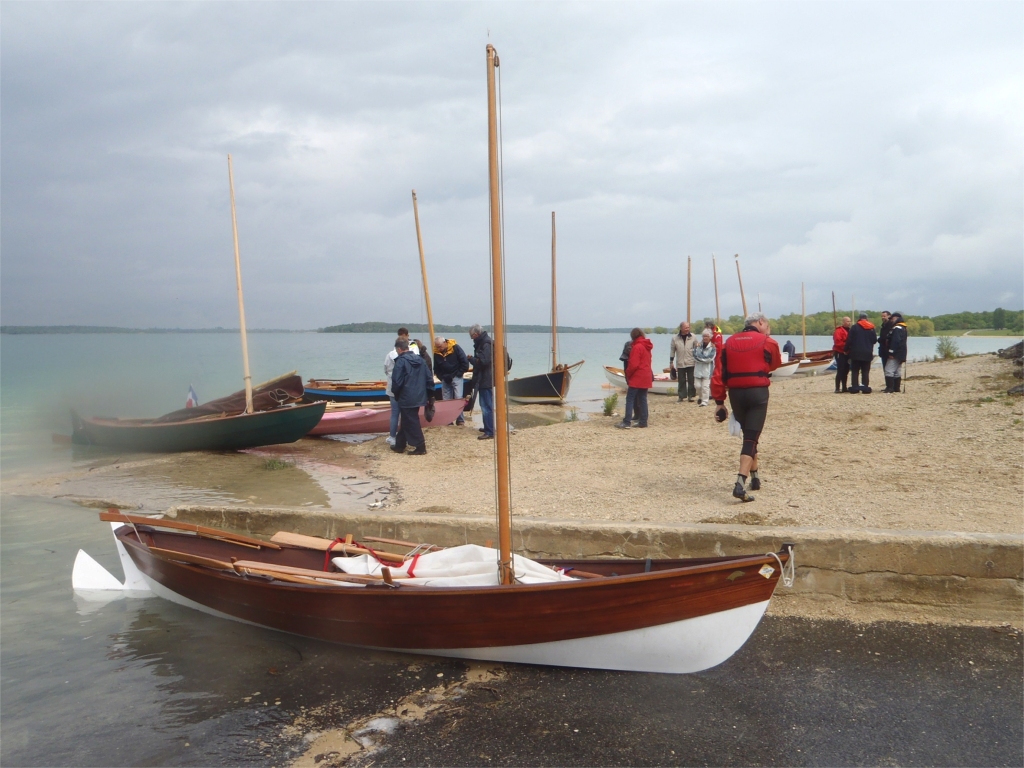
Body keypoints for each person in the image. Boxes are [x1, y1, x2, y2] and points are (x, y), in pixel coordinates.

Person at [710, 312, 782, 502]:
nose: (768, 331)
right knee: (751, 438)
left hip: (736, 394)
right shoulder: (768, 342)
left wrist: (719, 403)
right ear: (760, 322)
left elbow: (718, 375)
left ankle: (755, 478)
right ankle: (740, 484)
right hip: (757, 393)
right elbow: (775, 364)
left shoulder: (728, 343)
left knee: (749, 435)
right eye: (768, 327)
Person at [389, 338, 431, 455]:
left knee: (411, 421)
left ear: (399, 349)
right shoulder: (420, 360)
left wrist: (396, 394)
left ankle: (420, 446)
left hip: (406, 396)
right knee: (407, 419)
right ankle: (400, 445)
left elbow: (397, 382)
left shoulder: (401, 361)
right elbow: (429, 378)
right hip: (419, 395)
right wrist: (430, 394)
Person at [384, 327, 418, 446]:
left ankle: (393, 437)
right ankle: (405, 437)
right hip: (405, 388)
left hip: (393, 387)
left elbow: (386, 369)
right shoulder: (412, 354)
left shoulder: (390, 355)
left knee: (395, 413)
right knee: (405, 413)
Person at [617, 328, 652, 428]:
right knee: (642, 398)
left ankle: (627, 422)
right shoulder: (646, 346)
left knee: (630, 398)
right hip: (646, 375)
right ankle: (643, 421)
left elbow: (633, 364)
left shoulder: (637, 347)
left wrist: (628, 373)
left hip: (637, 376)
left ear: (633, 336)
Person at [433, 335, 469, 425]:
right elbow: (436, 368)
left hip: (456, 376)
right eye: (437, 347)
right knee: (446, 400)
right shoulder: (436, 353)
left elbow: (464, 362)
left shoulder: (455, 348)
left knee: (458, 398)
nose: (439, 349)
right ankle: (448, 420)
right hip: (445, 378)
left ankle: (460, 420)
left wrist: (458, 374)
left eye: (440, 346)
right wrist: (442, 377)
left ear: (445, 343)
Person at [467, 324, 495, 440]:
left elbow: (484, 361)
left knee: (486, 406)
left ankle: (490, 431)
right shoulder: (483, 342)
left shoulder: (486, 343)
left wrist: (471, 359)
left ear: (477, 334)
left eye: (472, 336)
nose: (472, 338)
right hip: (484, 378)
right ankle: (488, 426)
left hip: (486, 379)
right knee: (485, 405)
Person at [845, 312, 877, 394]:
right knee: (865, 371)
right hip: (867, 352)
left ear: (859, 318)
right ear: (867, 318)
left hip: (855, 352)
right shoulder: (871, 328)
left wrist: (845, 349)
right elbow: (874, 340)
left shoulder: (855, 327)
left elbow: (849, 340)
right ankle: (864, 387)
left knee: (855, 371)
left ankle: (855, 387)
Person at [669, 322, 697, 402]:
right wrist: (671, 361)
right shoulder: (675, 338)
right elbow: (672, 350)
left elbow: (697, 348)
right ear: (681, 328)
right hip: (680, 362)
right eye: (686, 328)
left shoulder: (693, 337)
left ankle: (691, 396)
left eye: (688, 327)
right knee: (681, 380)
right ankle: (681, 396)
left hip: (691, 361)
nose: (687, 329)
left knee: (691, 380)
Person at [883, 312, 908, 393]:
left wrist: (891, 352)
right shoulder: (903, 327)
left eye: (892, 319)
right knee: (897, 370)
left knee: (889, 370)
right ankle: (896, 388)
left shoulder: (897, 328)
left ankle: (890, 388)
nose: (891, 320)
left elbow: (895, 341)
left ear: (896, 318)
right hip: (901, 353)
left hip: (896, 353)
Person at [692, 329, 717, 406]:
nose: (705, 338)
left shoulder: (713, 347)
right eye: (704, 336)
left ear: (710, 337)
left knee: (705, 387)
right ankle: (700, 397)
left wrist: (700, 358)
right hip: (698, 370)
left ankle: (705, 401)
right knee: (697, 386)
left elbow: (710, 358)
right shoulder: (697, 346)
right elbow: (694, 356)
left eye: (707, 336)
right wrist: (703, 359)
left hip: (707, 370)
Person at [832, 316, 852, 393]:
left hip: (848, 352)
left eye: (849, 321)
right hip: (840, 352)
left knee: (846, 370)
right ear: (843, 322)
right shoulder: (839, 331)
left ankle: (844, 387)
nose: (849, 323)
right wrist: (845, 348)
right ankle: (837, 388)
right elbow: (838, 342)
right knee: (840, 370)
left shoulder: (850, 330)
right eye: (847, 321)